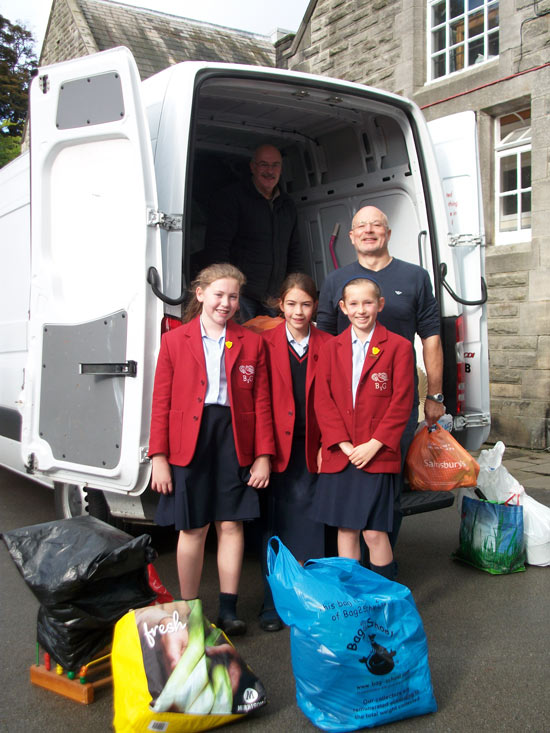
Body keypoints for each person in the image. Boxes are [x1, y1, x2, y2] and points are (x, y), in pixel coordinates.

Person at [148, 264, 275, 636]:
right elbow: (161, 402)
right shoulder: (175, 341)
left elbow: (262, 401)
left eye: (233, 296)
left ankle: (229, 609)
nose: (226, 303)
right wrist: (159, 458)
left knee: (231, 524)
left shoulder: (251, 341)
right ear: (200, 293)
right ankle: (189, 613)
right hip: (190, 441)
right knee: (193, 528)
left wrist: (263, 455)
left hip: (233, 440)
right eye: (219, 294)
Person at [316, 206, 445, 546]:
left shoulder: (415, 277)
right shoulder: (335, 281)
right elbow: (324, 344)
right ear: (351, 236)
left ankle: (384, 566)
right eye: (361, 226)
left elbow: (431, 337)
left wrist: (435, 395)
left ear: (388, 233)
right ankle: (352, 573)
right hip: (347, 409)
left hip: (394, 405)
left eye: (377, 225)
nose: (369, 230)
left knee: (389, 486)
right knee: (347, 490)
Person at [313, 276, 414, 578]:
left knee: (373, 532)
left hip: (377, 453)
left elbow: (402, 402)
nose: (361, 310)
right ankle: (353, 602)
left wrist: (374, 444)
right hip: (342, 453)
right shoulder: (331, 348)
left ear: (380, 305)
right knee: (346, 529)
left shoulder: (399, 347)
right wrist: (343, 445)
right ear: (343, 307)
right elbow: (323, 400)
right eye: (354, 303)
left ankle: (384, 600)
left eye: (368, 302)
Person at [258, 273, 332, 631]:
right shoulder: (264, 343)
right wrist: (262, 450)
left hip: (313, 445)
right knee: (274, 524)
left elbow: (336, 401)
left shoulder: (329, 344)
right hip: (276, 447)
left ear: (315, 305)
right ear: (280, 305)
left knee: (312, 525)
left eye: (305, 304)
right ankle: (273, 600)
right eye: (291, 304)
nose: (298, 311)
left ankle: (308, 601)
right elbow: (256, 400)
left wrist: (327, 445)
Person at [205, 144, 306, 321]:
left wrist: (293, 290)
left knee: (272, 347)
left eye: (275, 165)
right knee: (241, 346)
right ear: (252, 167)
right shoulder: (232, 198)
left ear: (281, 169)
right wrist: (225, 293)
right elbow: (218, 248)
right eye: (264, 164)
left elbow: (294, 251)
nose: (270, 171)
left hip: (275, 299)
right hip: (242, 297)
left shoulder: (287, 205)